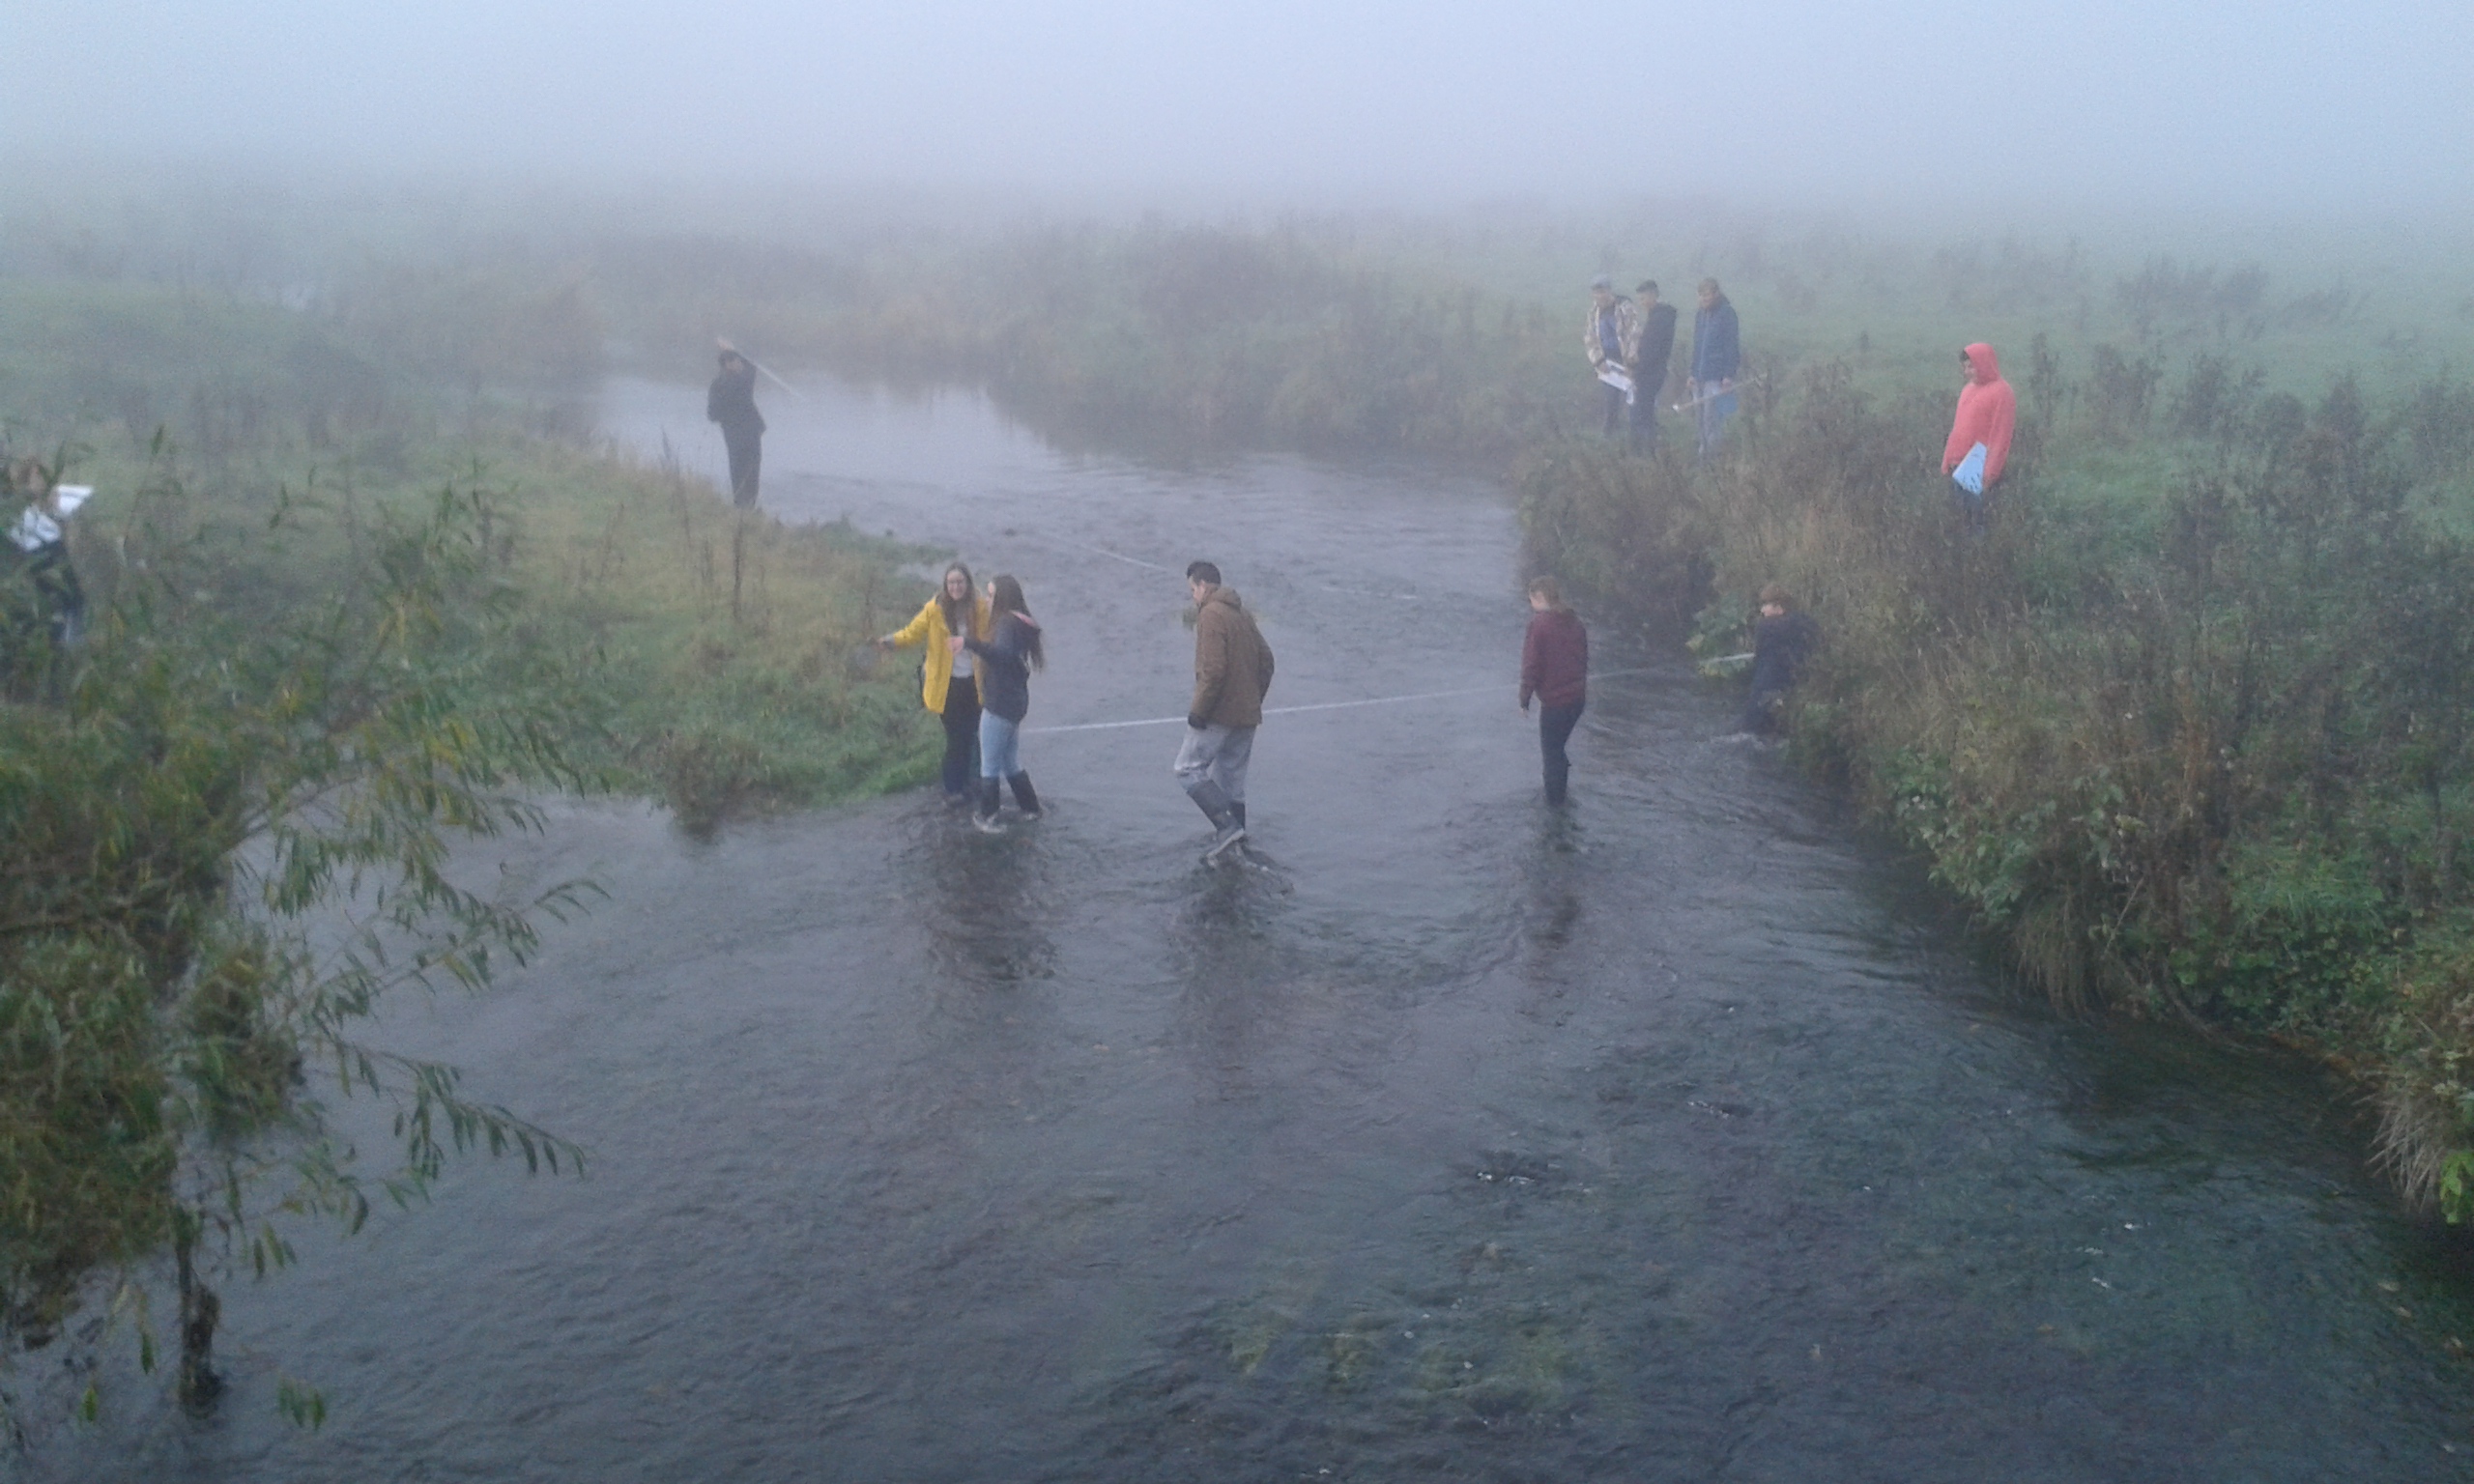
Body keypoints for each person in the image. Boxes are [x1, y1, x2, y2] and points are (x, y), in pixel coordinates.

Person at [1176, 560, 1275, 863]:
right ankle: (1239, 847)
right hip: (1247, 716)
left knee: (1187, 769)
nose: (1192, 596)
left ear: (1204, 586)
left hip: (1218, 714)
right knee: (1232, 782)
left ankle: (1227, 827)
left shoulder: (1210, 614)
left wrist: (1199, 711)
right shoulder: (1242, 614)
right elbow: (1267, 662)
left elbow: (1214, 671)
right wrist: (1252, 699)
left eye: (1193, 590)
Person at [877, 563, 992, 808]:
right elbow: (913, 632)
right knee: (956, 738)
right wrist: (891, 642)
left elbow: (989, 639)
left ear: (968, 584)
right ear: (945, 586)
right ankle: (952, 788)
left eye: (960, 582)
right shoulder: (934, 610)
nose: (956, 587)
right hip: (946, 686)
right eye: (951, 583)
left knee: (974, 735)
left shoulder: (980, 608)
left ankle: (973, 783)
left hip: (974, 683)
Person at [961, 573, 1045, 833]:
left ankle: (989, 817)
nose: (986, 600)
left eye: (990, 594)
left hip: (999, 705)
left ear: (1002, 598)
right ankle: (1030, 809)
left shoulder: (1006, 624)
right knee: (1009, 761)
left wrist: (969, 643)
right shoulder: (1020, 624)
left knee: (990, 763)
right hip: (1014, 703)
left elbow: (1003, 656)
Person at [5, 456, 88, 662]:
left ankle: (69, 652)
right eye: (37, 476)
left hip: (56, 562)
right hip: (38, 565)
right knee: (57, 608)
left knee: (72, 603)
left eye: (44, 476)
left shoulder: (57, 505)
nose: (42, 481)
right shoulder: (20, 513)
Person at [1517, 576, 1588, 806]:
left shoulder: (1539, 625)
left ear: (1539, 597)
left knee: (1551, 755)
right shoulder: (1574, 621)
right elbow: (1583, 657)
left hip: (1556, 704)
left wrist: (1524, 698)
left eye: (1531, 600)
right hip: (1577, 700)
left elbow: (1531, 665)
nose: (1531, 606)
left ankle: (1555, 807)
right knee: (1558, 749)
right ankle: (1562, 793)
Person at [1942, 342, 2018, 525]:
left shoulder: (2002, 392)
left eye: (1972, 366)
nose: (1967, 372)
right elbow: (1957, 428)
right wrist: (1946, 461)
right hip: (1958, 469)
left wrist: (1989, 475)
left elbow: (2001, 437)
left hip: (1979, 471)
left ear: (1984, 363)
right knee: (1959, 522)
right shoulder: (1968, 390)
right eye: (1965, 367)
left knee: (1977, 525)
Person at [1737, 585, 1820, 736]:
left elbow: (1759, 656)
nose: (1762, 610)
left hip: (1765, 688)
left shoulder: (1765, 627)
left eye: (1765, 605)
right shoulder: (1806, 623)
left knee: (1750, 732)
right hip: (1791, 689)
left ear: (1779, 607)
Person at [1688, 278, 1741, 464]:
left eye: (1707, 294)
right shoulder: (1700, 315)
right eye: (1701, 295)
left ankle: (1712, 456)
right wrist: (1692, 373)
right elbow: (1697, 346)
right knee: (1699, 416)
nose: (1703, 299)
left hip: (1716, 376)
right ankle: (1703, 450)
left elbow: (1731, 346)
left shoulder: (1727, 314)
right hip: (1700, 375)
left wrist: (1728, 375)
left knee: (1712, 417)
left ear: (1716, 294)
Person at [705, 343, 765, 508]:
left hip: (732, 435)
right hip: (749, 435)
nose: (740, 364)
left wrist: (725, 417)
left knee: (737, 472)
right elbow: (752, 367)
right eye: (736, 361)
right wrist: (733, 348)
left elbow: (711, 415)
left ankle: (740, 507)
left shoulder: (716, 385)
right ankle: (748, 508)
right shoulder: (742, 380)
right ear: (729, 364)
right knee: (752, 472)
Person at [1582, 276, 1642, 438]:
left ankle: (1636, 436)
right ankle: (1610, 435)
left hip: (1626, 361)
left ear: (1610, 291)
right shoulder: (1593, 313)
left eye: (1603, 291)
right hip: (1608, 363)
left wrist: (1631, 362)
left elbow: (1634, 334)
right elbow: (1590, 338)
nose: (1600, 296)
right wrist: (1598, 361)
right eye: (1596, 293)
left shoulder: (1624, 308)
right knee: (1610, 400)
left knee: (1632, 400)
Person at [1630, 280, 1679, 453]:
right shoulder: (1658, 316)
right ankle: (1647, 448)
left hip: (1650, 373)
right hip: (1653, 371)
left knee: (1643, 412)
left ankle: (1646, 450)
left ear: (1652, 296)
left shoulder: (1659, 320)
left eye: (1643, 299)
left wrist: (1636, 370)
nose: (1641, 303)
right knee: (1646, 410)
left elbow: (1651, 351)